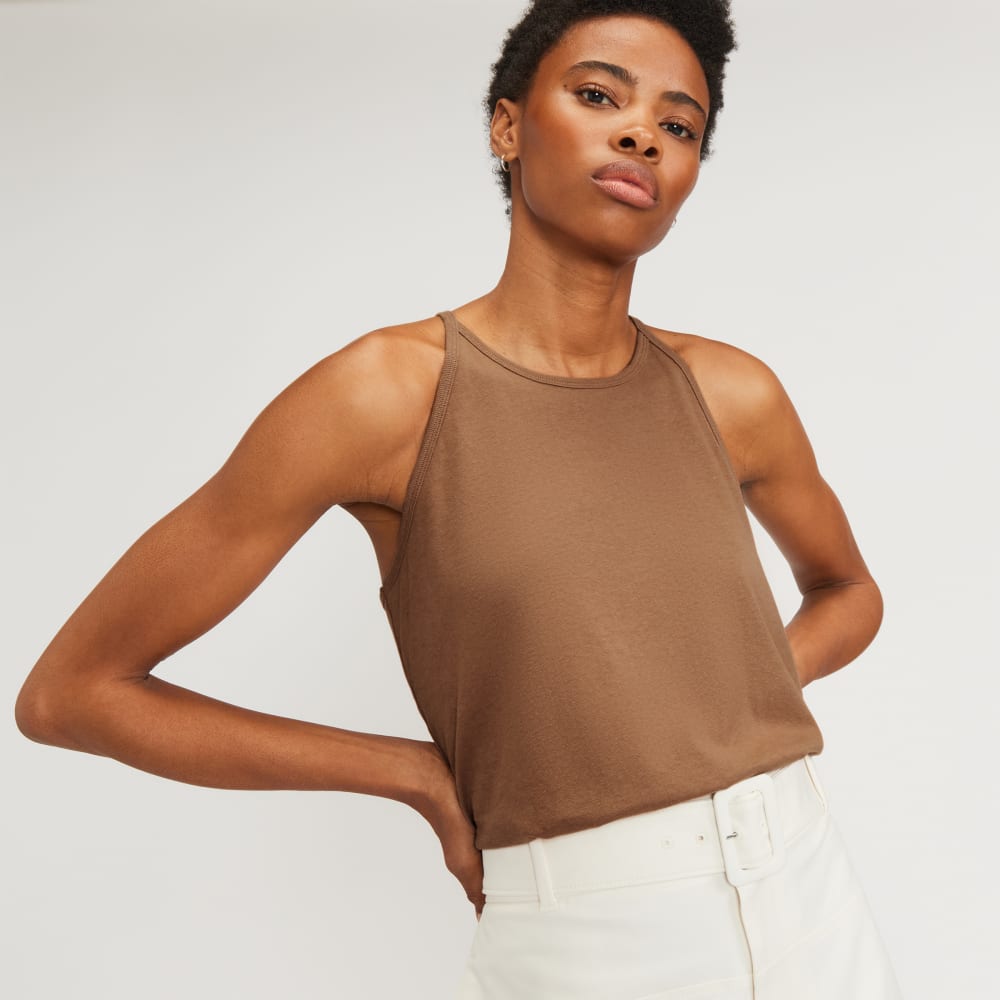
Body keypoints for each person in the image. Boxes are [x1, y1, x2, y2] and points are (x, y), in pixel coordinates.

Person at [15, 0, 903, 996]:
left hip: (810, 890)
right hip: (593, 933)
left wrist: (738, 691)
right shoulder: (384, 394)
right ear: (508, 125)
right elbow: (73, 693)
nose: (641, 135)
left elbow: (848, 590)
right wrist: (411, 774)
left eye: (679, 124)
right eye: (598, 95)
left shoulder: (731, 392)